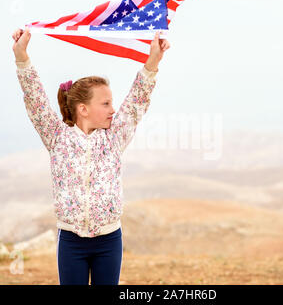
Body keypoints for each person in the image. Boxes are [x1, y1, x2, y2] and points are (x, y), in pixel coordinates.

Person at [11, 26, 170, 285]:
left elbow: (137, 100)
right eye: (105, 104)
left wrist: (153, 61)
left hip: (109, 241)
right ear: (83, 109)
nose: (113, 109)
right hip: (71, 243)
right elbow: (35, 100)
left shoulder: (114, 136)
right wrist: (22, 58)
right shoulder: (57, 136)